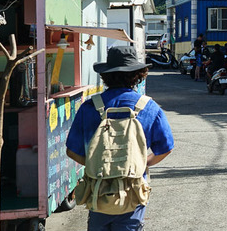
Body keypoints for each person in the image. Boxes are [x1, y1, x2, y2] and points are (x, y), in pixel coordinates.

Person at [66, 46, 174, 231]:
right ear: (138, 74)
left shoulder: (90, 107)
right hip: (133, 191)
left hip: (98, 191)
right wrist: (142, 163)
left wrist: (97, 165)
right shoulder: (149, 107)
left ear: (106, 75)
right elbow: (165, 148)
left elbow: (72, 151)